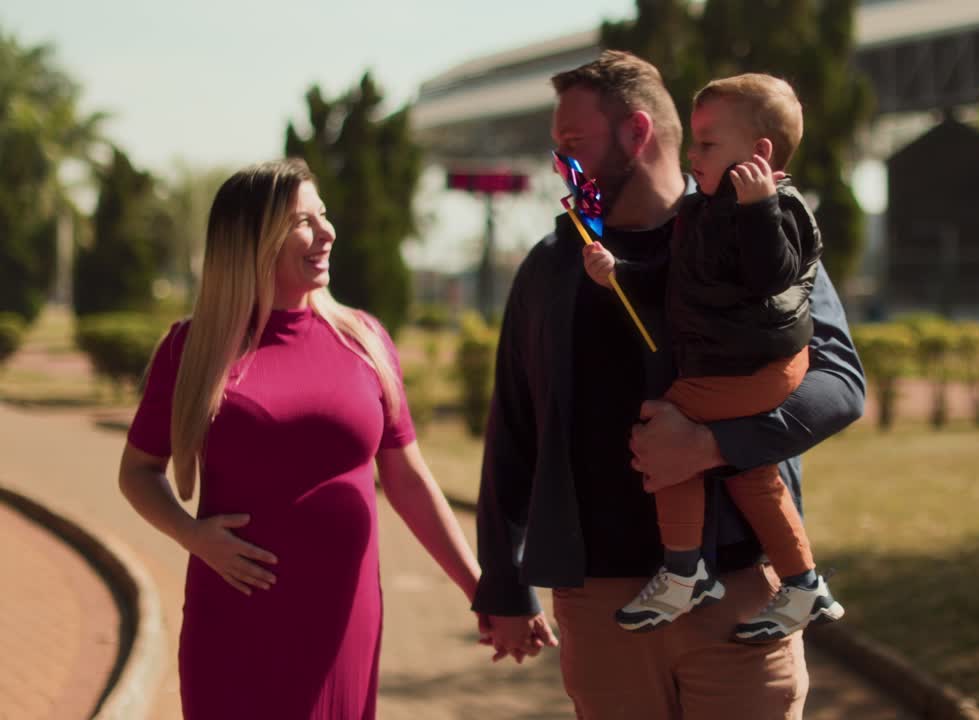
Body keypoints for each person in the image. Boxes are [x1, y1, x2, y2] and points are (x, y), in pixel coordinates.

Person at [474, 51, 865, 719]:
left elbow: (841, 384)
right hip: (601, 607)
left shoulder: (757, 230)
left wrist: (716, 445)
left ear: (636, 133)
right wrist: (504, 585)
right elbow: (514, 429)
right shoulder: (552, 266)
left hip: (742, 594)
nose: (559, 163)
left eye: (573, 142)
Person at [118, 159, 483, 719]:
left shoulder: (364, 339)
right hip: (236, 626)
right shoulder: (194, 348)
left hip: (345, 626)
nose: (327, 232)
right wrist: (191, 535)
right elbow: (138, 472)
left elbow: (408, 480)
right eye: (303, 222)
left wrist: (480, 588)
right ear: (253, 243)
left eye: (323, 215)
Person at [582, 73, 844, 643]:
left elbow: (772, 275)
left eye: (706, 143)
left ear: (759, 154)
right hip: (737, 365)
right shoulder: (702, 209)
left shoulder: (780, 209)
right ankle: (803, 583)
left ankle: (684, 571)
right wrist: (619, 274)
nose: (693, 155)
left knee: (664, 433)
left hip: (758, 366)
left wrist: (759, 209)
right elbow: (672, 280)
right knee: (751, 476)